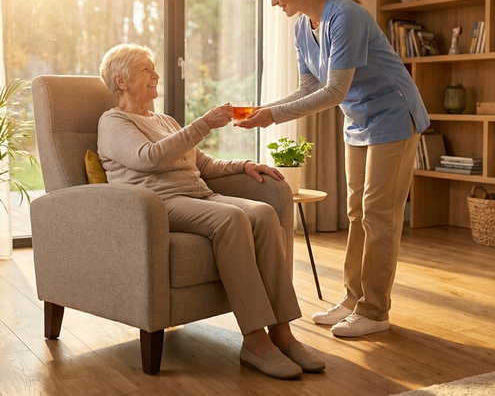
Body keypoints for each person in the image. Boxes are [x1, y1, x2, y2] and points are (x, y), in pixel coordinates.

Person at [96, 43, 324, 380]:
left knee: (262, 214)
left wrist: (242, 165)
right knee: (231, 218)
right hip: (157, 204)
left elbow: (201, 163)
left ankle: (282, 333)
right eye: (146, 69)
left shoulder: (165, 120)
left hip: (199, 195)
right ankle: (255, 341)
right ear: (121, 79)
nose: (156, 74)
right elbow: (148, 158)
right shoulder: (113, 122)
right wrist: (202, 124)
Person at [237, 0, 430, 338]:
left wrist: (272, 116)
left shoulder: (346, 16)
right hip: (358, 120)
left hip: (392, 114)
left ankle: (375, 311)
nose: (274, 1)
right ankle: (352, 299)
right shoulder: (301, 27)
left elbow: (334, 91)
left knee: (379, 214)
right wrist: (264, 109)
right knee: (356, 211)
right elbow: (309, 86)